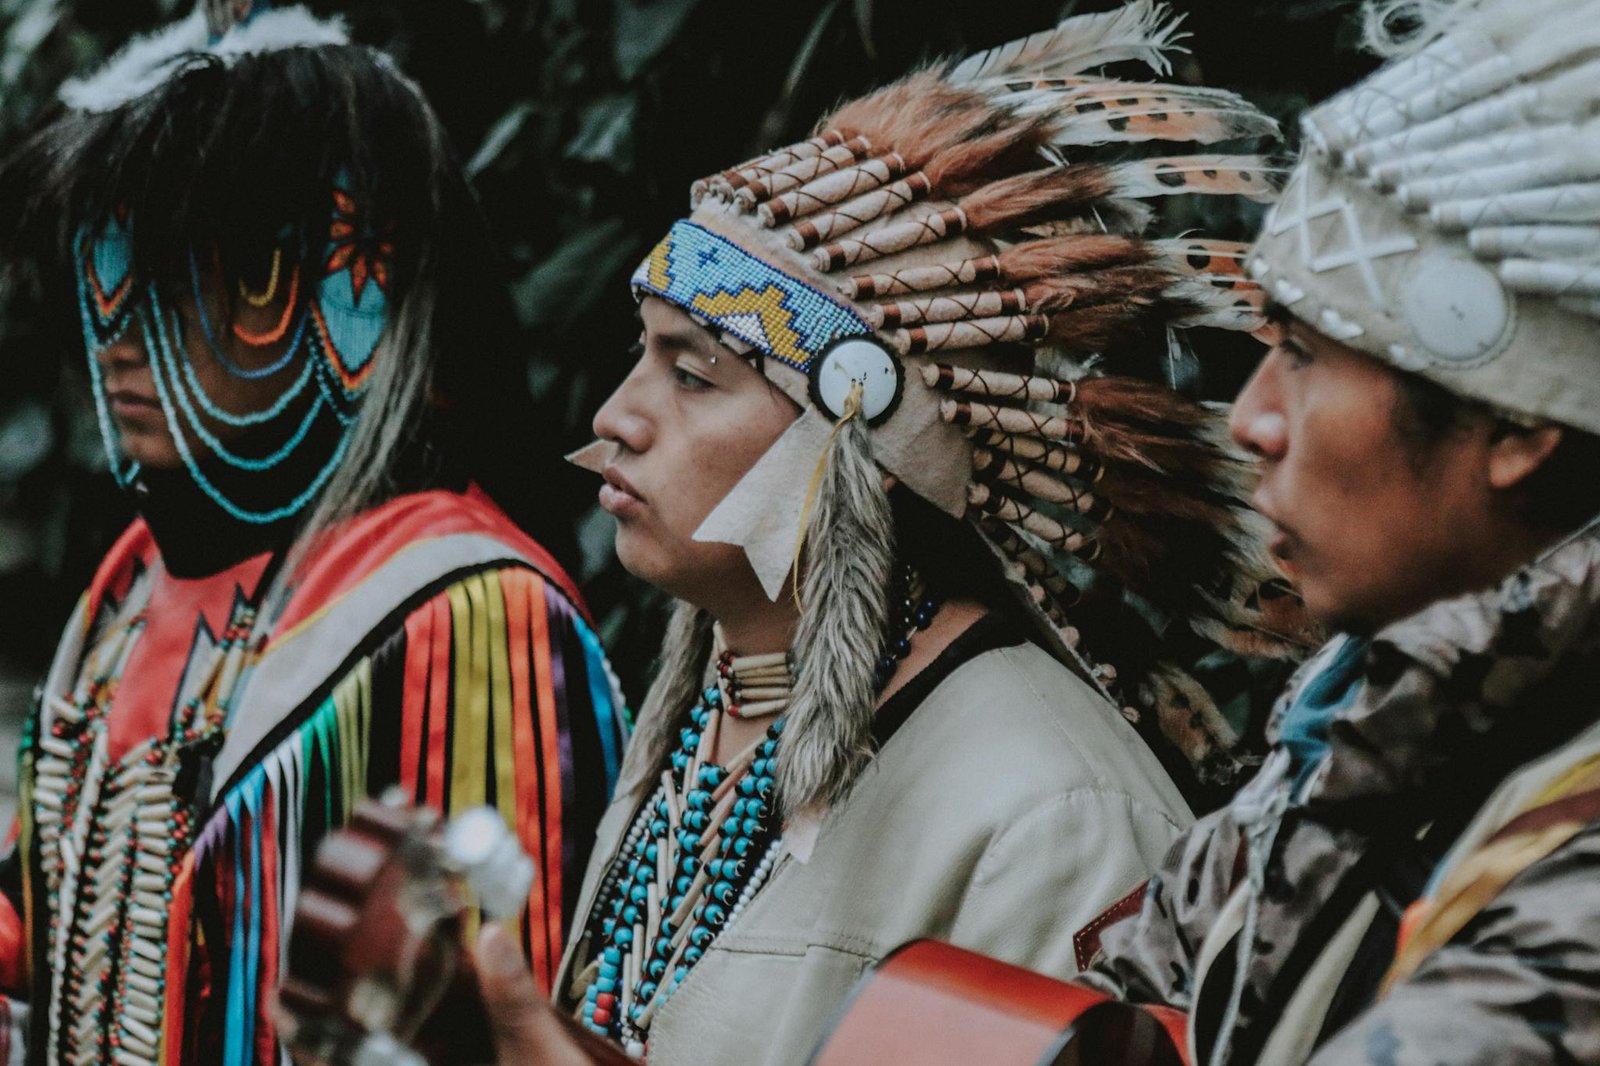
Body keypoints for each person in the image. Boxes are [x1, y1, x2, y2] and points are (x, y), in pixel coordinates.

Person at [474, 0, 1600, 1063]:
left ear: (1515, 427)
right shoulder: (1343, 762)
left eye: (1303, 354)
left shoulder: (1062, 807)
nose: (1252, 418)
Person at [542, 4, 1311, 1063]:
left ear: (856, 437)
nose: (616, 417)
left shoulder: (1051, 812)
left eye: (693, 375)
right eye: (643, 356)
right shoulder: (720, 699)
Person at [0, 2, 627, 1062]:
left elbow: (486, 1010)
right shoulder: (139, 570)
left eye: (199, 275)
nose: (121, 334)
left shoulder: (461, 608)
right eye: (108, 274)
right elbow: (53, 910)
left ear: (350, 300)